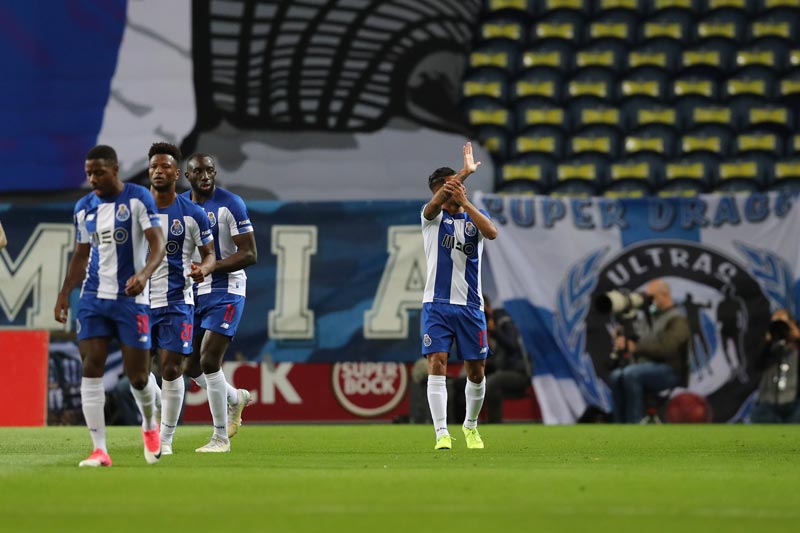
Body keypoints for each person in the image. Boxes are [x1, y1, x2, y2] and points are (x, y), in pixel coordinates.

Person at [53, 144, 166, 467]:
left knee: (139, 378)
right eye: (88, 173)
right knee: (91, 368)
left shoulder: (137, 198)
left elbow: (157, 243)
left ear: (115, 170)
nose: (93, 179)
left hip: (132, 299)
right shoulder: (84, 207)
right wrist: (65, 293)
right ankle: (99, 449)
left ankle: (149, 425)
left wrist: (144, 274)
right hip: (93, 298)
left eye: (99, 172)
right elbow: (81, 254)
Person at [421, 142, 497, 450]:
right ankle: (441, 432)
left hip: (470, 306)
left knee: (476, 372)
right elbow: (432, 206)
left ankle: (470, 426)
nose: (458, 188)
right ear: (440, 190)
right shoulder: (431, 218)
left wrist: (466, 204)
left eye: (460, 183)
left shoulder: (472, 216)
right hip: (436, 305)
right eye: (452, 184)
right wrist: (463, 172)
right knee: (437, 361)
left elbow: (491, 232)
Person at [182, 153, 258, 452]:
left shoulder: (231, 203)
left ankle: (219, 438)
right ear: (187, 176)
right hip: (195, 290)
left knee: (209, 360)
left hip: (227, 287)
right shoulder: (182, 207)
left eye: (210, 170)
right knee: (189, 364)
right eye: (198, 171)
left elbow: (250, 254)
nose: (205, 176)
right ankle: (235, 398)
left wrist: (212, 266)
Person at [146, 142, 217, 455]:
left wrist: (203, 268)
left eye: (165, 167)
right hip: (138, 301)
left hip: (177, 301)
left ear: (177, 173)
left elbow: (210, 255)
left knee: (172, 370)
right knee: (137, 374)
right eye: (154, 167)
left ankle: (166, 439)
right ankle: (153, 418)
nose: (158, 171)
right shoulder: (136, 209)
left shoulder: (193, 214)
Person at [608, 279, 690, 424]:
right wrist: (623, 337)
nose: (647, 300)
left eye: (651, 296)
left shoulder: (678, 320)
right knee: (616, 376)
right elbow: (639, 338)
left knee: (631, 374)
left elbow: (668, 348)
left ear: (664, 295)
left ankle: (634, 423)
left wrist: (635, 347)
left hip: (671, 370)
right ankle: (618, 426)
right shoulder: (650, 318)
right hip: (647, 367)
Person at [450, 295, 531, 424]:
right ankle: (460, 424)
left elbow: (512, 346)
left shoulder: (504, 322)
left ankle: (494, 424)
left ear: (487, 308)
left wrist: (494, 331)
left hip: (516, 372)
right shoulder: (477, 325)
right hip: (497, 368)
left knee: (492, 382)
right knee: (461, 383)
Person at [751, 309, 800, 423]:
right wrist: (768, 343)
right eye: (776, 323)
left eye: (783, 324)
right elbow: (757, 365)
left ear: (792, 325)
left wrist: (797, 338)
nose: (780, 328)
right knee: (758, 416)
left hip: (795, 405)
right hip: (768, 405)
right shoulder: (768, 347)